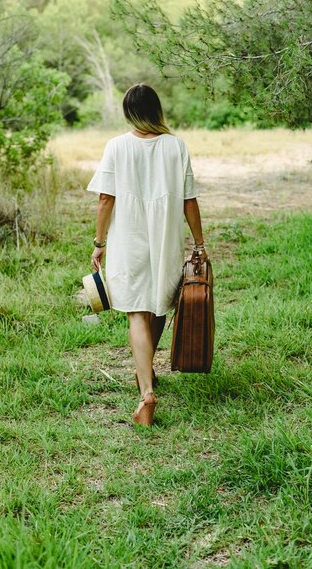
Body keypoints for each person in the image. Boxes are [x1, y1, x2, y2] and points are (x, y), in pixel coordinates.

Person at [87, 83, 207, 426]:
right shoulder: (176, 146)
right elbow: (189, 201)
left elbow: (105, 199)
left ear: (129, 113)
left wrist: (99, 242)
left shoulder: (117, 146)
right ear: (157, 110)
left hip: (129, 237)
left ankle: (146, 392)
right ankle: (146, 374)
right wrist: (199, 244)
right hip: (166, 238)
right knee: (158, 305)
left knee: (137, 312)